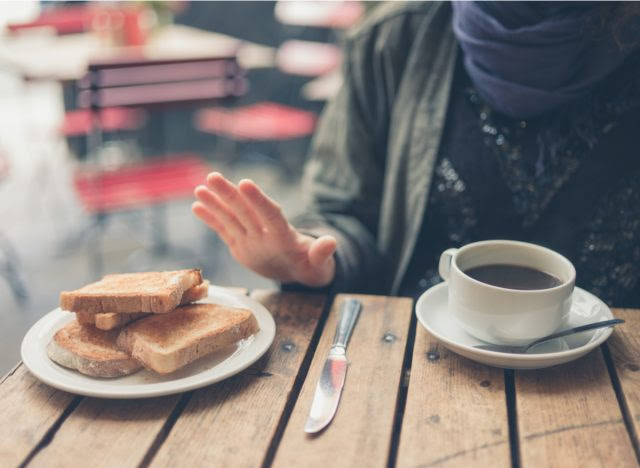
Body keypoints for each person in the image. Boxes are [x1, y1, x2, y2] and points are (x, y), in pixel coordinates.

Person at [193, 1, 640, 307]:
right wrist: (313, 259)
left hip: (617, 374)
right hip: (419, 367)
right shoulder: (394, 37)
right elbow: (346, 214)